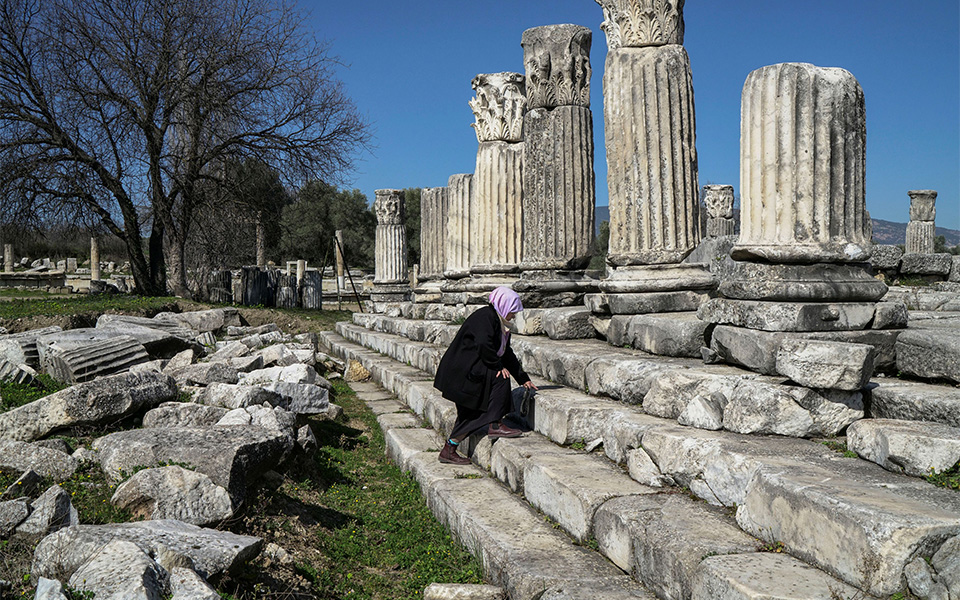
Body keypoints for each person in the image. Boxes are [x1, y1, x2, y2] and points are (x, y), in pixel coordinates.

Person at [433, 286, 538, 465]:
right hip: (462, 374)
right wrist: (497, 366)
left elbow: (506, 353)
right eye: (512, 311)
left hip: (471, 372)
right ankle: (494, 424)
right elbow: (484, 344)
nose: (513, 315)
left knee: (471, 413)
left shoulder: (498, 322)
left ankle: (449, 449)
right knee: (500, 379)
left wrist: (523, 378)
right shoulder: (486, 317)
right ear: (504, 306)